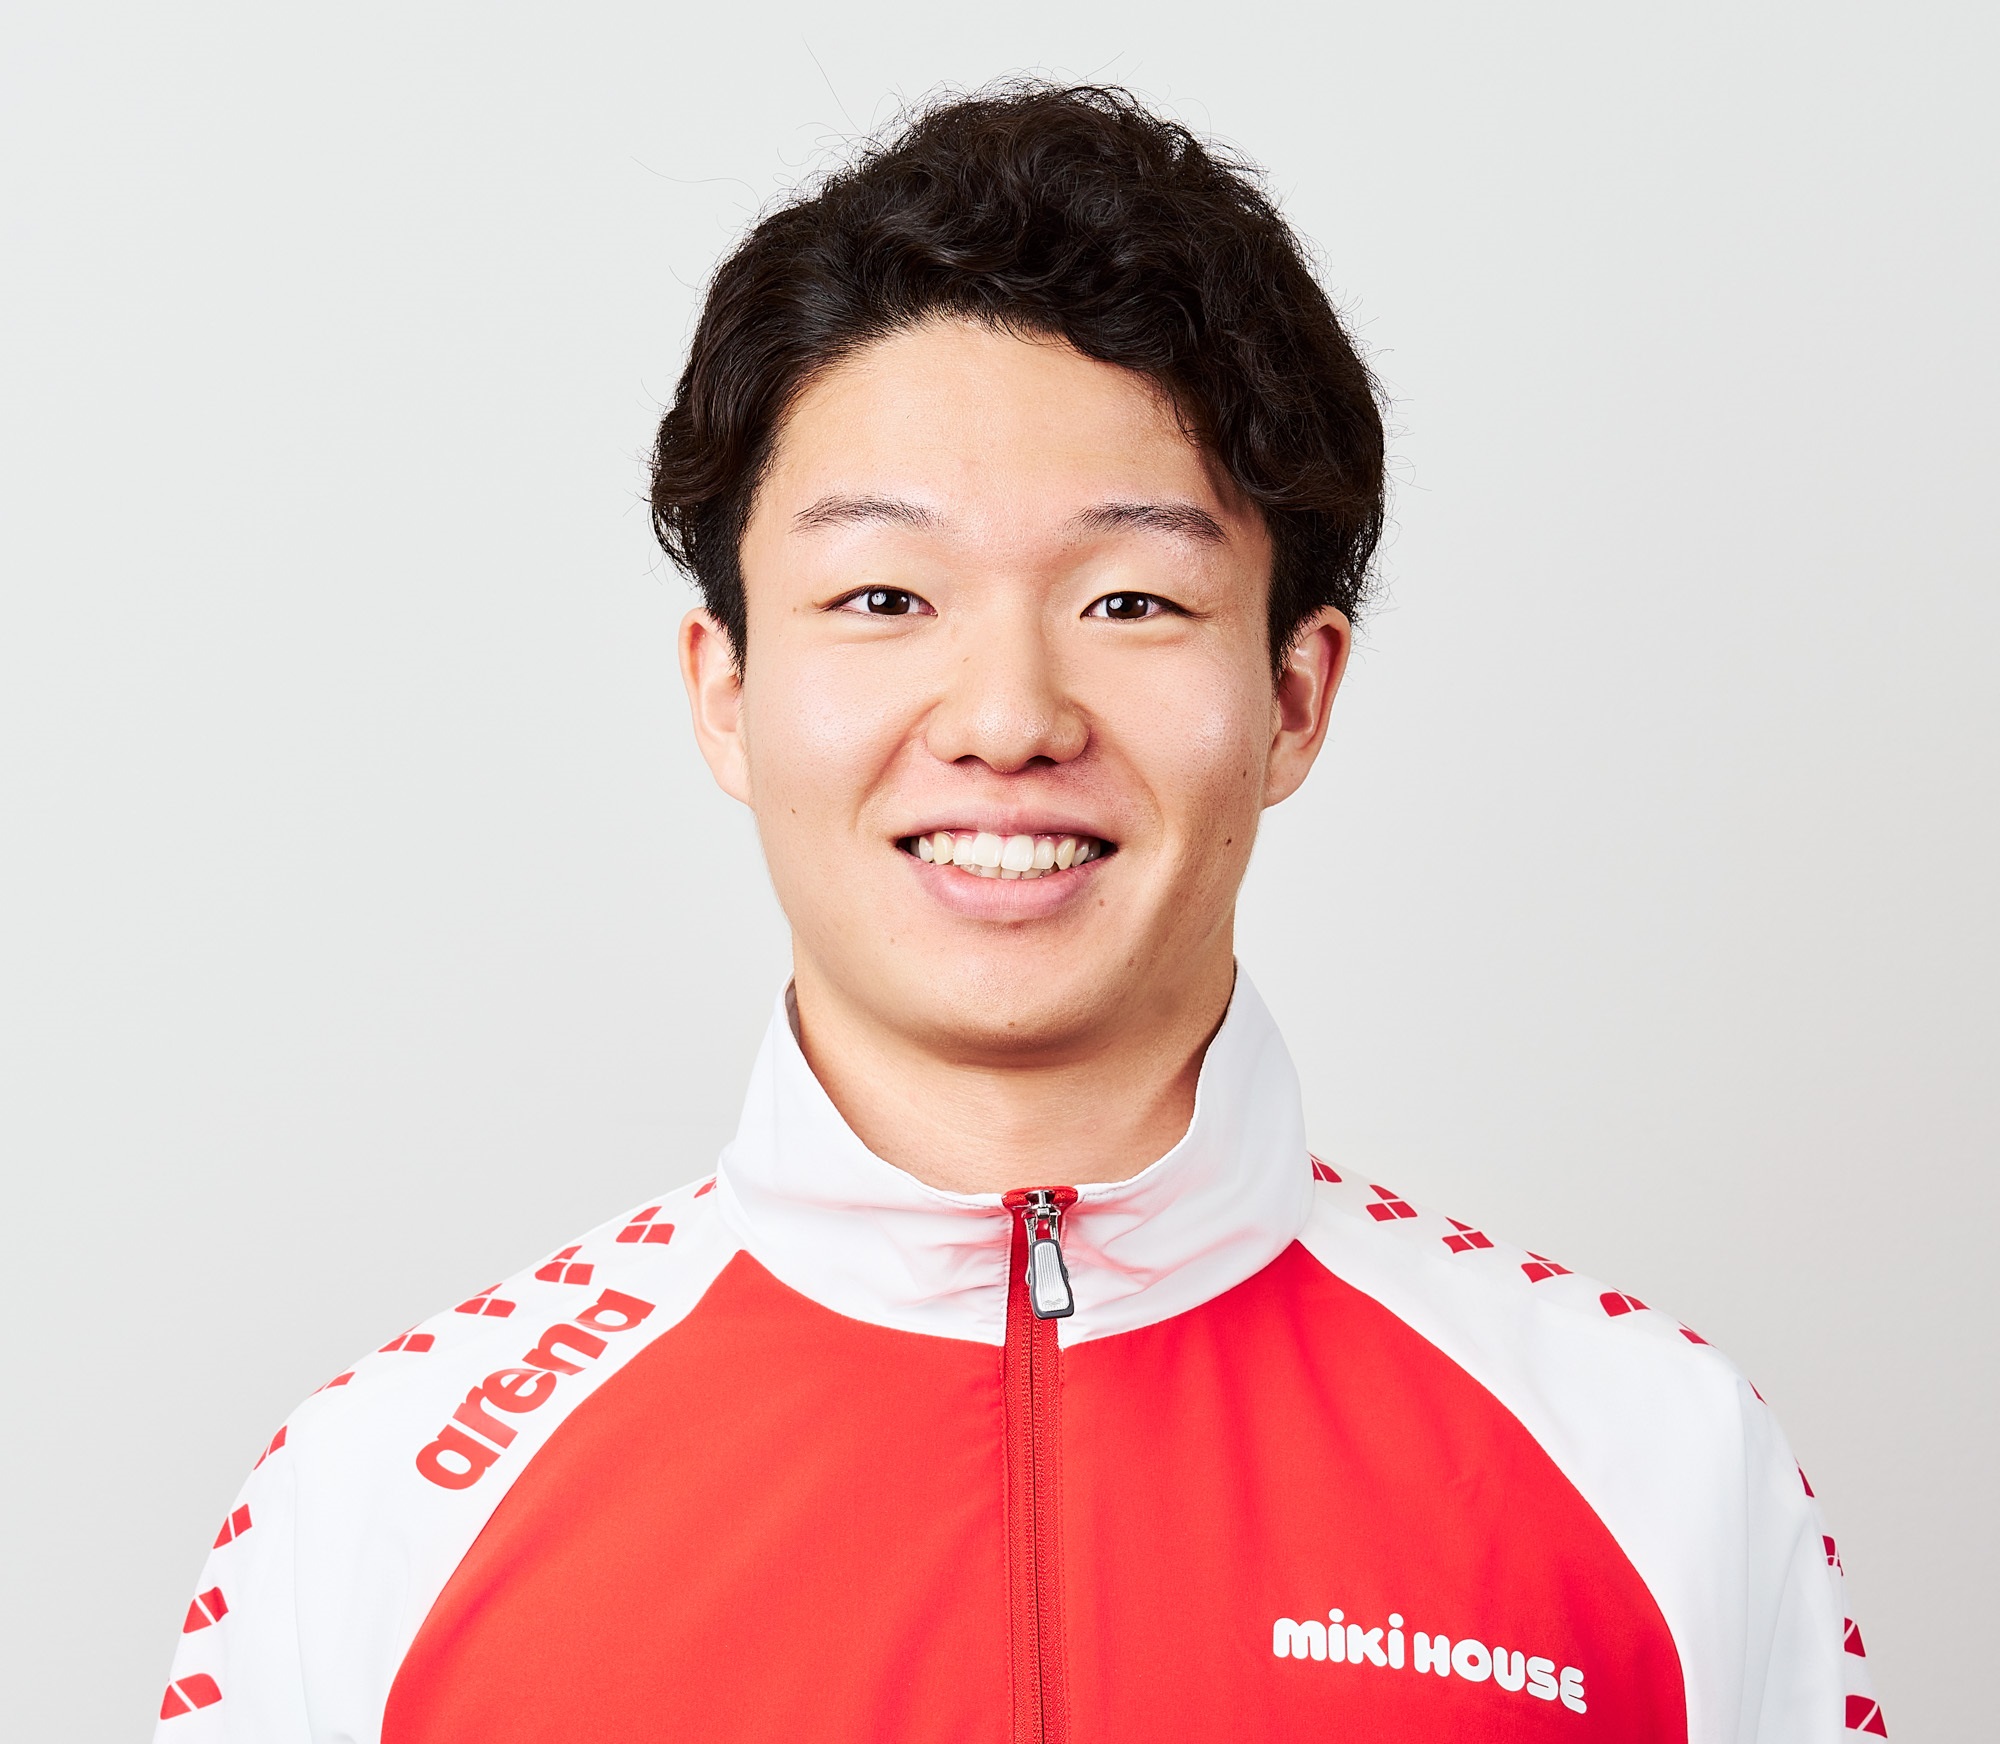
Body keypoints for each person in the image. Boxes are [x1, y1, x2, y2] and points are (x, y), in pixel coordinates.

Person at [152, 83, 1886, 1743]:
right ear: (724, 693)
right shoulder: (380, 1511)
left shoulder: (1652, 1467)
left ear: (1295, 695)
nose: (1006, 717)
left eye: (1130, 600)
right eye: (883, 596)